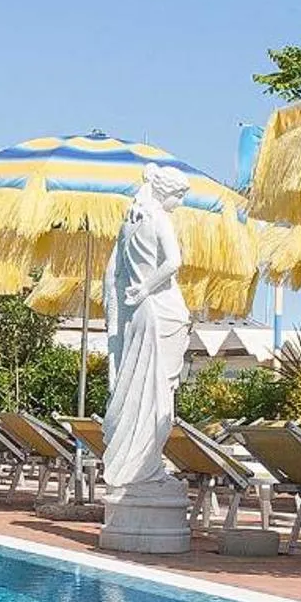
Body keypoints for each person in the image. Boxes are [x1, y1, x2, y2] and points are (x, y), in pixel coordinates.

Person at [100, 165, 194, 491]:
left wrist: (118, 316)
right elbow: (173, 262)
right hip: (162, 311)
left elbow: (111, 276)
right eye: (179, 195)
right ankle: (147, 469)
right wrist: (146, 288)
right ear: (165, 191)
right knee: (159, 396)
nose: (180, 203)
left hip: (138, 314)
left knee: (137, 390)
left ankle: (134, 468)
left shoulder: (129, 223)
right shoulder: (158, 218)